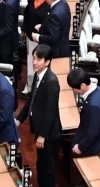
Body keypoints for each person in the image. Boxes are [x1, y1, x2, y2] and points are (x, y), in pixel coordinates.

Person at [26, 44, 64, 187]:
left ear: (47, 62)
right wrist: (19, 119)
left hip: (48, 133)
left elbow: (51, 111)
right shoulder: (38, 75)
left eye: (38, 59)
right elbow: (32, 99)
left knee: (48, 167)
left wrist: (42, 135)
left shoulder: (51, 82)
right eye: (34, 58)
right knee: (40, 163)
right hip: (39, 126)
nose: (34, 62)